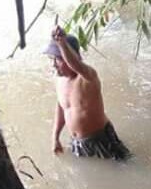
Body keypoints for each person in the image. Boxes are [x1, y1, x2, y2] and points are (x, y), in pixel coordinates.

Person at [44, 26, 130, 160]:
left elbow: (75, 64)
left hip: (101, 138)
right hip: (78, 143)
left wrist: (62, 44)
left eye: (59, 59)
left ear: (75, 56)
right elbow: (62, 106)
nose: (54, 64)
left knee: (126, 167)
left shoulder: (88, 77)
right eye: (52, 59)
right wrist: (55, 137)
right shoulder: (59, 80)